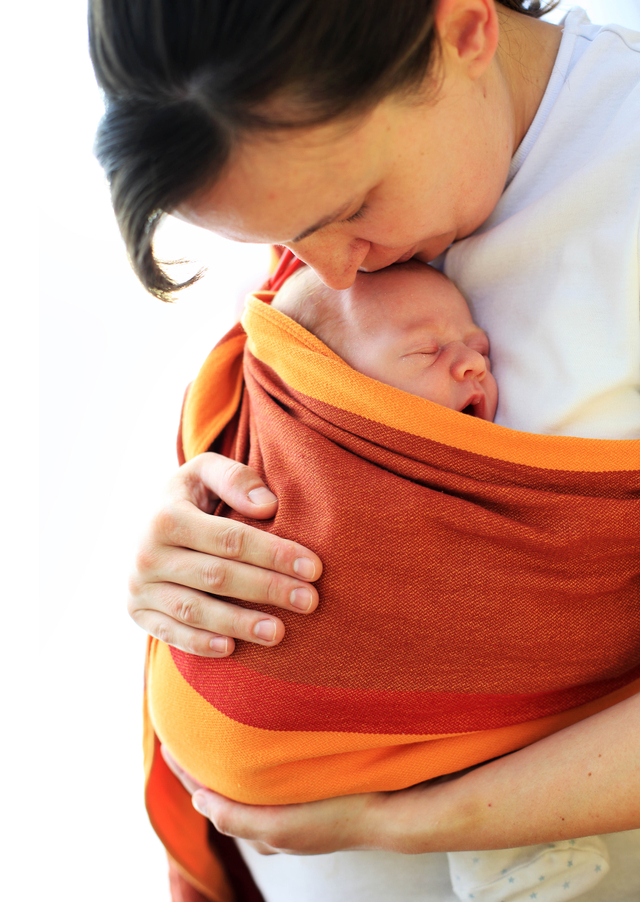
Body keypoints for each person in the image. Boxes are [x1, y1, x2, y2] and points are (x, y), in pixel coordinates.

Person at [89, 1, 640, 900]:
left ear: (463, 29)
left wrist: (407, 819)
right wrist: (187, 540)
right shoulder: (323, 190)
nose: (334, 271)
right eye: (283, 238)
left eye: (349, 209)